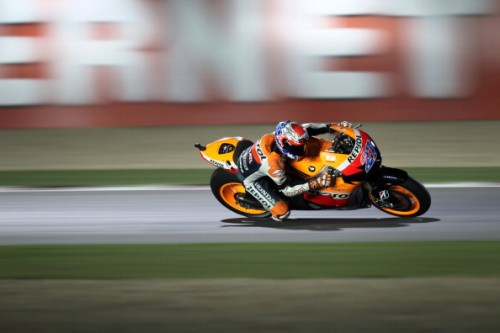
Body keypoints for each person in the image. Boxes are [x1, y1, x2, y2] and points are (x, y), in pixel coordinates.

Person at [237, 120, 352, 221]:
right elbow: (287, 190)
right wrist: (314, 183)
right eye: (297, 148)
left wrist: (336, 127)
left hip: (260, 162)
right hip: (252, 179)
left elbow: (312, 127)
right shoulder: (274, 164)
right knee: (282, 212)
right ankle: (263, 204)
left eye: (303, 145)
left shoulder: (291, 135)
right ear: (285, 145)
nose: (303, 149)